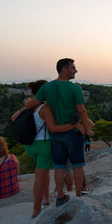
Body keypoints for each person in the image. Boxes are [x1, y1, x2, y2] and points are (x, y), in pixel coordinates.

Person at [25, 58, 94, 206]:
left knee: (59, 166)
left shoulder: (47, 88)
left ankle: (60, 196)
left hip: (55, 134)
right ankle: (78, 195)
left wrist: (26, 103)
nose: (76, 70)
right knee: (77, 165)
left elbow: (31, 104)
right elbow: (81, 110)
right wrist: (87, 128)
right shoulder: (75, 88)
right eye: (72, 68)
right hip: (73, 132)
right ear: (63, 69)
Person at [11, 80, 85, 216]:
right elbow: (53, 128)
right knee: (40, 177)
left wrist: (25, 107)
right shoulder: (44, 108)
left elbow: (13, 118)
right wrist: (74, 126)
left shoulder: (29, 107)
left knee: (43, 173)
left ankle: (45, 199)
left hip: (29, 146)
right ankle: (36, 210)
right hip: (43, 145)